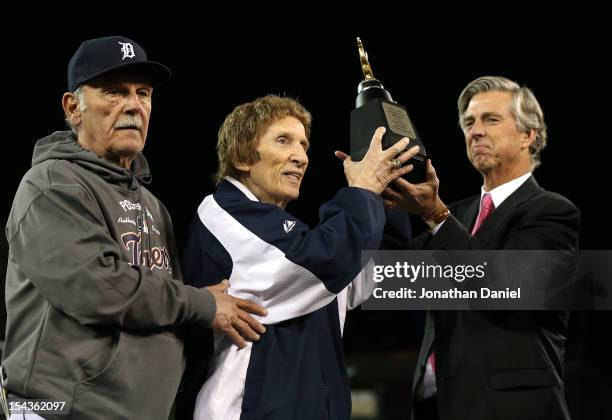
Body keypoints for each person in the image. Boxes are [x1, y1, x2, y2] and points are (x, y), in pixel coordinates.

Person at [1, 36, 266, 420]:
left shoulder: (152, 206)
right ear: (73, 107)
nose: (133, 105)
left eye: (143, 93)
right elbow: (98, 289)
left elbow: (166, 306)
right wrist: (203, 303)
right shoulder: (51, 185)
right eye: (114, 92)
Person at [178, 95, 419, 419]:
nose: (301, 157)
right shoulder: (222, 214)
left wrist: (387, 196)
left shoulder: (289, 241)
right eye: (283, 141)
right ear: (242, 156)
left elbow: (365, 275)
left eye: (304, 145)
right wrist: (362, 188)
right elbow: (328, 259)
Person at [383, 76, 580, 420]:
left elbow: (505, 287)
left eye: (491, 119)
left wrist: (434, 214)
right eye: (469, 122)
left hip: (512, 409)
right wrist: (381, 189)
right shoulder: (455, 215)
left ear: (527, 134)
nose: (475, 131)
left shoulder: (551, 212)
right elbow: (393, 276)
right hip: (437, 407)